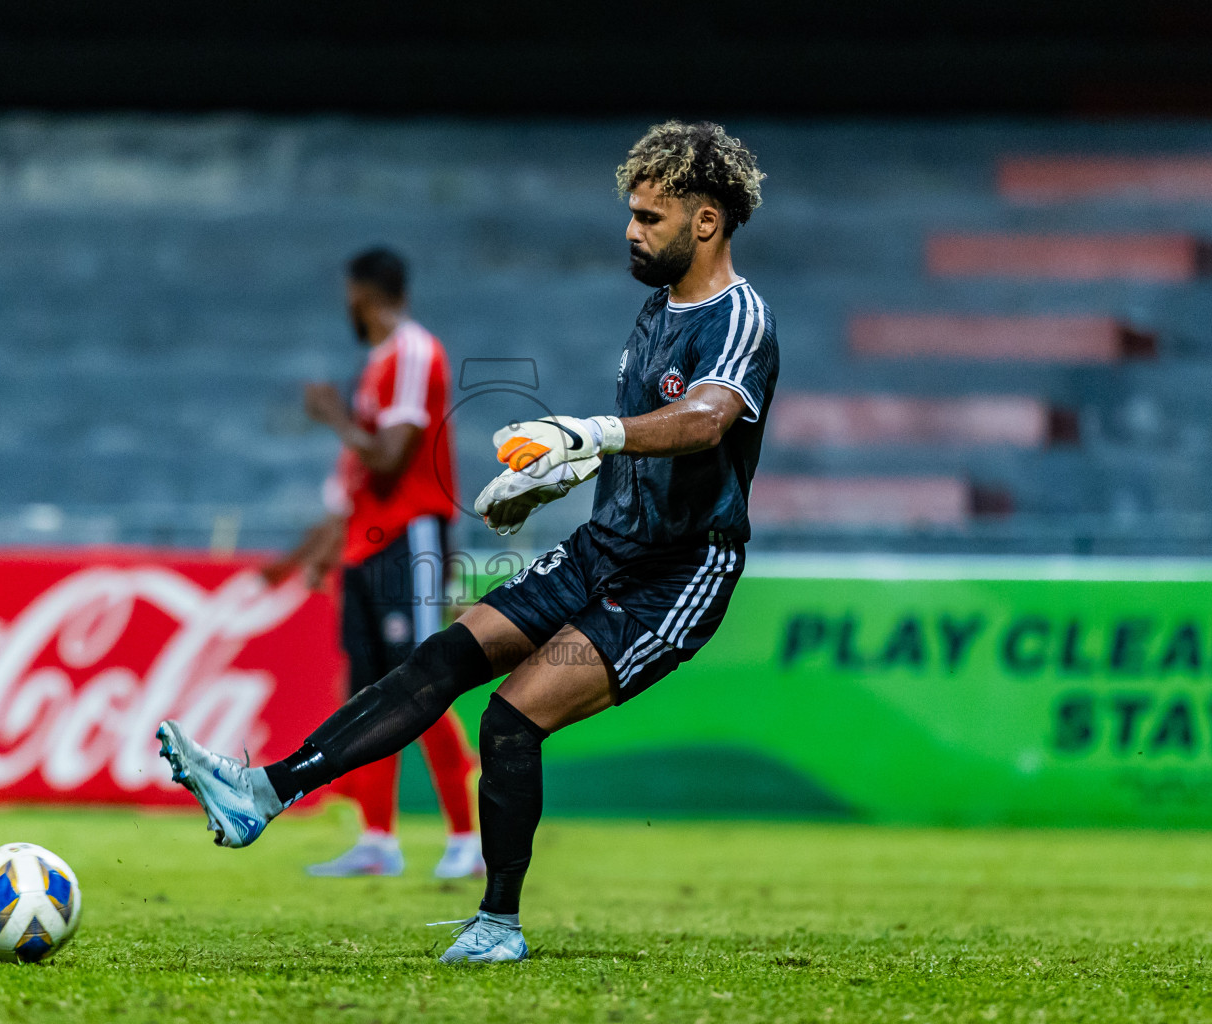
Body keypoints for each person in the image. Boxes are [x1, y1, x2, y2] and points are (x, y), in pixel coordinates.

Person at [159, 121, 777, 964]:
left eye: (650, 218)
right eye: (631, 214)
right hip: (607, 545)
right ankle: (262, 793)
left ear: (706, 221)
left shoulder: (739, 316)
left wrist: (593, 432)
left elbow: (706, 421)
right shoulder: (653, 311)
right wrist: (551, 479)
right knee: (441, 659)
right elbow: (635, 449)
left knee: (511, 716)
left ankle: (498, 925)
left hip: (678, 572)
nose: (631, 231)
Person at [264, 247, 484, 880]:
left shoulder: (413, 352)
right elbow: (360, 476)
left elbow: (389, 457)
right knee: (367, 694)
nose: (346, 306)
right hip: (366, 543)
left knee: (422, 683)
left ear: (361, 292)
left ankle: (466, 838)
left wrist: (335, 417)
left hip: (407, 537)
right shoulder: (378, 366)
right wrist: (327, 552)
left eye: (348, 294)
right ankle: (378, 839)